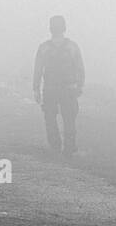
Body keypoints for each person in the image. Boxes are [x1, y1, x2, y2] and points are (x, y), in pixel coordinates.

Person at [33, 15, 84, 156]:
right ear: (64, 28)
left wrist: (36, 89)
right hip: (69, 89)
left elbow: (38, 70)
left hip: (50, 88)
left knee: (50, 118)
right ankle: (69, 148)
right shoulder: (72, 47)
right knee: (69, 119)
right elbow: (80, 68)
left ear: (50, 29)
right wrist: (79, 86)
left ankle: (55, 146)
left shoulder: (44, 48)